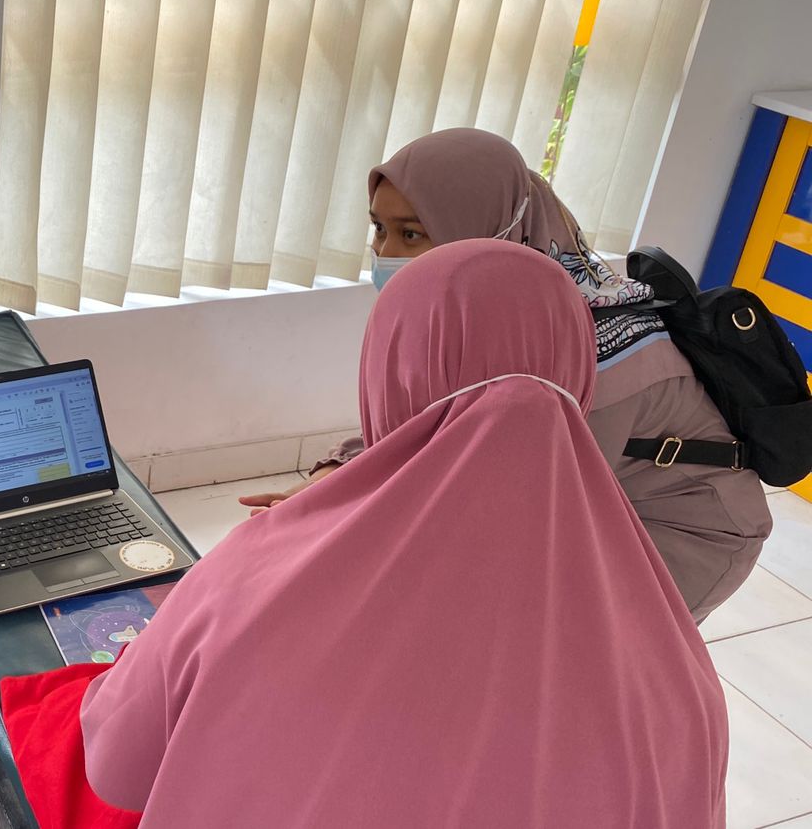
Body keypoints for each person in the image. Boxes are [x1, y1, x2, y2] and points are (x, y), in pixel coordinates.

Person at [66, 241, 728, 827]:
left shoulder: (249, 580)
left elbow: (116, 768)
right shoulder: (672, 667)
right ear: (577, 369)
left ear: (392, 373)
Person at [240, 128, 772, 622]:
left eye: (413, 233)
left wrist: (340, 518)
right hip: (591, 507)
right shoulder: (490, 308)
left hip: (680, 531)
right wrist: (329, 483)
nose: (386, 253)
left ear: (492, 230)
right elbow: (428, 424)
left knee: (575, 665)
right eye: (379, 228)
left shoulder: (596, 362)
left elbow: (496, 496)